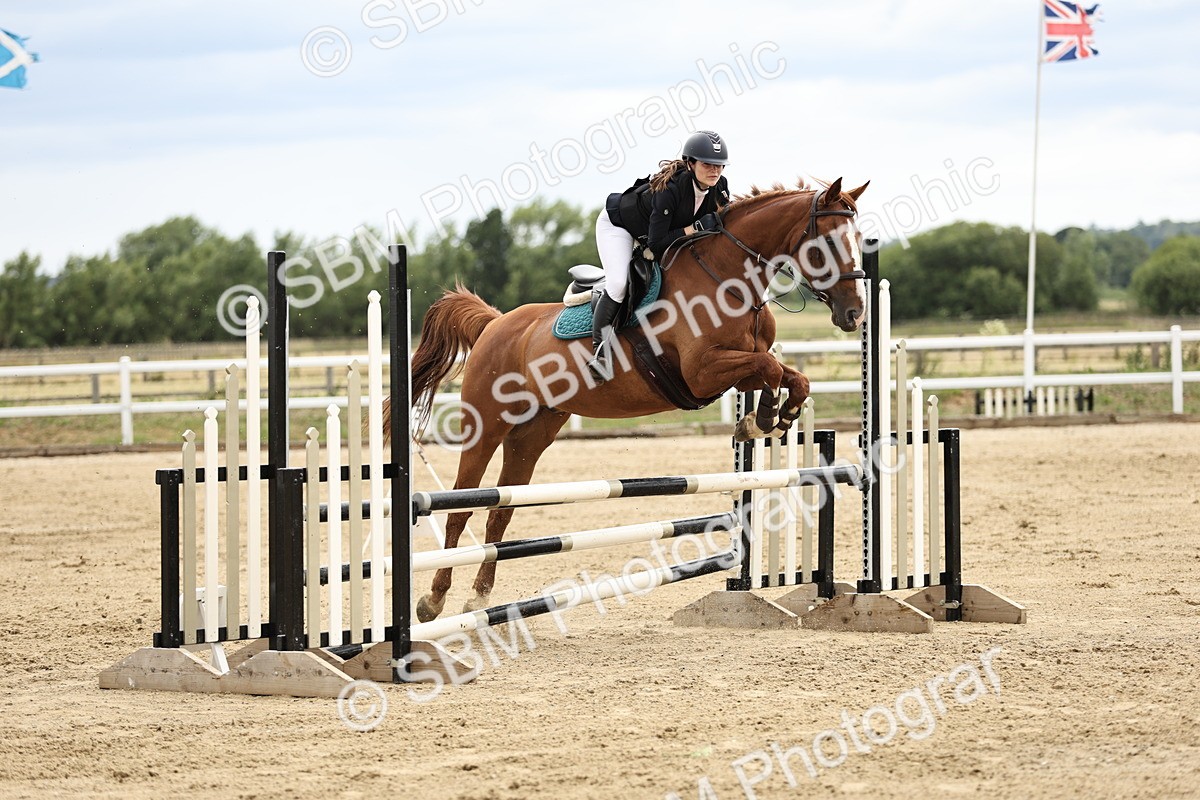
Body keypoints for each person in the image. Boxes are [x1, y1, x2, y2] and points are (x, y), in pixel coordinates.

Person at [587, 130, 732, 382]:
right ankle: (599, 354)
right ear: (690, 163)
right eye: (708, 164)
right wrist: (694, 228)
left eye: (719, 165)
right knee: (619, 283)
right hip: (619, 226)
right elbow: (656, 244)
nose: (715, 171)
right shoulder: (671, 190)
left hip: (654, 234)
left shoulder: (719, 187)